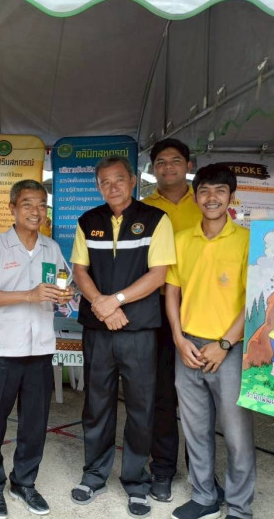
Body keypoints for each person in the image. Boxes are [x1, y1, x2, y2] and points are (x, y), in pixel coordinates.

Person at [69, 155, 175, 518]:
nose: (112, 187)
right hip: (98, 329)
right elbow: (80, 270)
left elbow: (159, 274)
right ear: (98, 186)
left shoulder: (156, 219)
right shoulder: (88, 220)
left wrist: (115, 301)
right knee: (96, 404)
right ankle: (94, 475)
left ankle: (136, 481)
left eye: (118, 180)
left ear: (132, 181)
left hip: (139, 330)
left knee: (141, 407)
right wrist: (101, 305)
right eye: (105, 182)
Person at [0, 180, 71, 518]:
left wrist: (65, 295)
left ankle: (24, 482)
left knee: (34, 422)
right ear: (12, 208)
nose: (35, 211)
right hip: (4, 348)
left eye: (41, 204)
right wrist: (29, 295)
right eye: (27, 204)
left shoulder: (51, 248)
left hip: (40, 348)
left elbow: (62, 285)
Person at [165, 164, 255, 519]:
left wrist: (226, 344)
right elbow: (173, 292)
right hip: (187, 347)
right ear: (196, 196)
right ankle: (204, 497)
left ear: (232, 197)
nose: (211, 197)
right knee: (195, 430)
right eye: (204, 190)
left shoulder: (247, 240)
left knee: (236, 435)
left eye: (220, 190)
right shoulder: (182, 239)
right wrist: (178, 337)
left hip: (230, 349)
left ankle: (239, 508)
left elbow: (255, 301)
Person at [141, 138, 202, 502]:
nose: (168, 167)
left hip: (202, 310)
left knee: (200, 396)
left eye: (175, 160)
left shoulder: (207, 201)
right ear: (153, 169)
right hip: (159, 308)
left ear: (188, 164)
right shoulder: (145, 207)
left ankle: (201, 472)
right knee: (163, 392)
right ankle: (162, 468)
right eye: (161, 162)